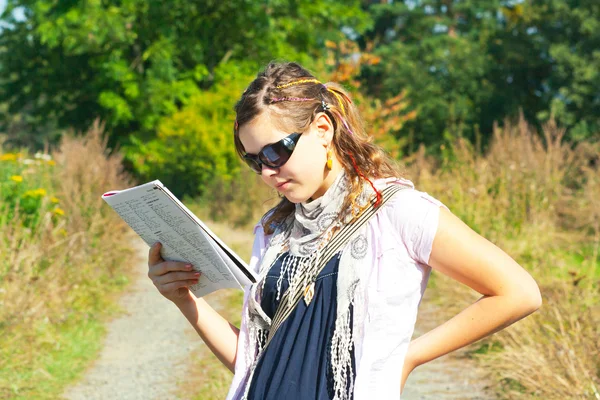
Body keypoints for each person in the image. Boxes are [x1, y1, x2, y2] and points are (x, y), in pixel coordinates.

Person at [147, 61, 542, 399]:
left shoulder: (394, 211)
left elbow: (518, 292)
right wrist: (186, 300)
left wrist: (410, 356)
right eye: (254, 161)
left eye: (274, 152)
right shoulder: (274, 231)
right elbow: (253, 361)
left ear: (322, 129)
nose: (267, 172)